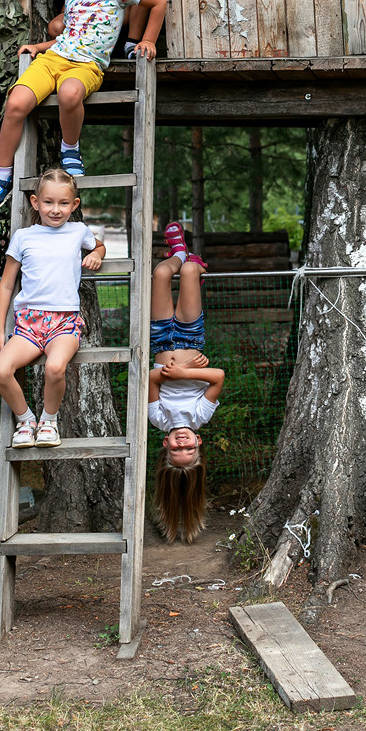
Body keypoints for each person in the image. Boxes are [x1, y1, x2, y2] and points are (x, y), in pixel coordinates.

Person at [0, 0, 166, 212]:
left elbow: (159, 2)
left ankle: (70, 149)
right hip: (53, 59)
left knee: (69, 95)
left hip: (86, 65)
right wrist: (40, 47)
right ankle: (2, 176)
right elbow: (70, 36)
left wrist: (148, 40)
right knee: (16, 103)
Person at [0, 168, 106, 449]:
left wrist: (95, 254)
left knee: (56, 367)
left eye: (64, 203)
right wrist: (0, 331)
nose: (55, 210)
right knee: (0, 369)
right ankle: (26, 420)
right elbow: (6, 285)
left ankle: (48, 421)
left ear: (74, 205)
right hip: (29, 324)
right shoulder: (24, 237)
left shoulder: (78, 231)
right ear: (35, 202)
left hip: (64, 323)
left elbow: (100, 246)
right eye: (48, 202)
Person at [148, 222, 224, 543]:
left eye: (176, 449)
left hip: (161, 339)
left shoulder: (159, 419)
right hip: (191, 338)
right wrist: (189, 372)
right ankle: (187, 258)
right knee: (191, 273)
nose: (182, 443)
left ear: (165, 446)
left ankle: (178, 252)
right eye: (188, 449)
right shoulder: (200, 417)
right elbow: (218, 377)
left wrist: (175, 374)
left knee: (162, 274)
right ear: (198, 444)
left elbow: (149, 380)